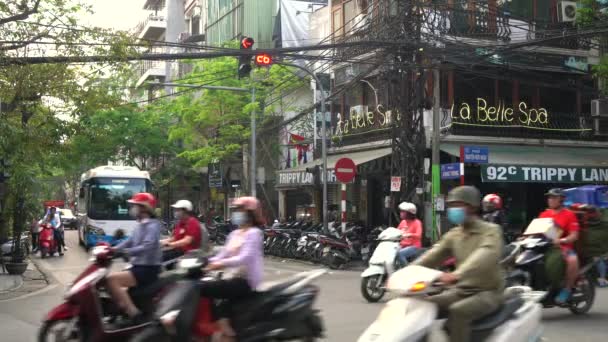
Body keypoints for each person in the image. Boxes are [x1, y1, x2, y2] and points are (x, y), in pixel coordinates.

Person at [413, 186, 504, 342]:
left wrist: (457, 274)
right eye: (452, 205)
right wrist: (407, 272)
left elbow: (485, 254)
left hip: (488, 292)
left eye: (458, 205)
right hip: (461, 290)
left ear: (472, 207)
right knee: (421, 307)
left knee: (458, 311)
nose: (453, 209)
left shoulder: (491, 231)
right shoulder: (454, 234)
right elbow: (433, 256)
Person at [202, 196, 264, 341]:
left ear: (250, 213)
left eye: (239, 210)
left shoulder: (254, 233)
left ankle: (229, 334)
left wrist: (220, 264)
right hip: (231, 277)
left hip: (246, 281)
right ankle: (223, 330)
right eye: (235, 210)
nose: (236, 213)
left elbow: (245, 257)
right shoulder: (234, 234)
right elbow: (223, 254)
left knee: (205, 288)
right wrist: (205, 263)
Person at [107, 193, 162, 325]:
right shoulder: (141, 224)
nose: (132, 208)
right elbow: (130, 241)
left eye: (135, 205)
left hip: (147, 268)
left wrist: (128, 252)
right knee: (106, 282)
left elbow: (147, 246)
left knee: (112, 279)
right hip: (139, 266)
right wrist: (113, 249)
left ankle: (134, 313)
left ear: (144, 208)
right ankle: (120, 309)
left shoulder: (153, 226)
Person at [538, 188, 580, 304]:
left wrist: (561, 240)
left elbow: (574, 235)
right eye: (549, 197)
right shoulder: (544, 214)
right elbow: (537, 231)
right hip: (545, 246)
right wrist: (525, 237)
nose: (550, 200)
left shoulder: (569, 215)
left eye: (553, 197)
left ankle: (567, 289)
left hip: (564, 247)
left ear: (561, 200)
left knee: (572, 260)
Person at [161, 200, 202, 264]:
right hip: (177, 251)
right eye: (175, 210)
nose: (175, 212)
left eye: (178, 210)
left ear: (185, 211)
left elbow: (187, 240)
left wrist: (170, 244)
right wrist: (162, 242)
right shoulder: (181, 223)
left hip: (187, 254)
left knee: (159, 259)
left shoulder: (192, 222)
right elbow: (174, 238)